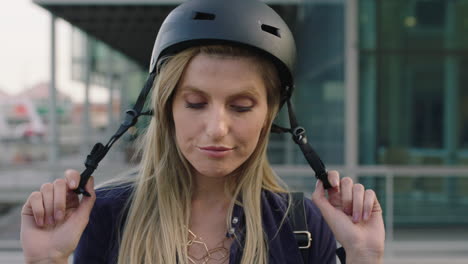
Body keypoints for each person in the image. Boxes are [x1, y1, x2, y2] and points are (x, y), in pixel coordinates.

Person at [20, 0, 385, 263]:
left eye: (241, 106)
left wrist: (364, 255)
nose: (217, 128)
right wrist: (47, 260)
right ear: (167, 108)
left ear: (269, 115)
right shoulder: (106, 217)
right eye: (195, 103)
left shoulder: (302, 227)